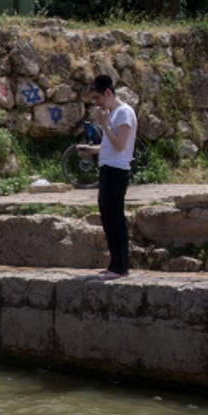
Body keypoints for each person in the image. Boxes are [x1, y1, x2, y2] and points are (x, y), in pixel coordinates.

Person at [75, 75, 138, 281]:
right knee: (107, 216)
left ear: (108, 93)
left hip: (117, 172)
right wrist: (91, 150)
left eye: (97, 98)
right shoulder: (114, 114)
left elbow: (121, 145)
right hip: (108, 168)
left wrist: (104, 124)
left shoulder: (123, 113)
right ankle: (114, 264)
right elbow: (111, 146)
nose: (96, 104)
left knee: (115, 218)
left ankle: (120, 267)